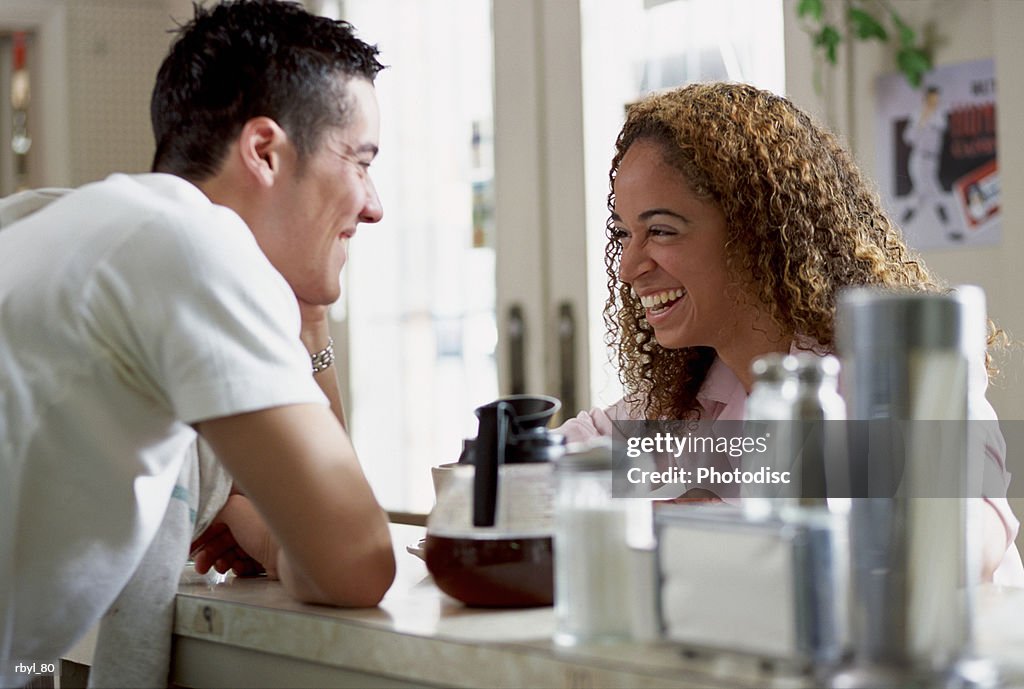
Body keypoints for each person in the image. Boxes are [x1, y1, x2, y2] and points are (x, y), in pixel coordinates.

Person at [0, 1, 396, 683]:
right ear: (265, 152)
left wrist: (309, 321)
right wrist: (309, 320)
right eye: (359, 162)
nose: (373, 203)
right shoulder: (194, 245)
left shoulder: (53, 223)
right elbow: (355, 559)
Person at [560, 81, 1024, 585]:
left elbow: (960, 541)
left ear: (755, 233)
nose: (628, 268)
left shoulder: (895, 369)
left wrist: (715, 523)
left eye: (662, 230)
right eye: (625, 233)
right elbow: (549, 468)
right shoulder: (694, 395)